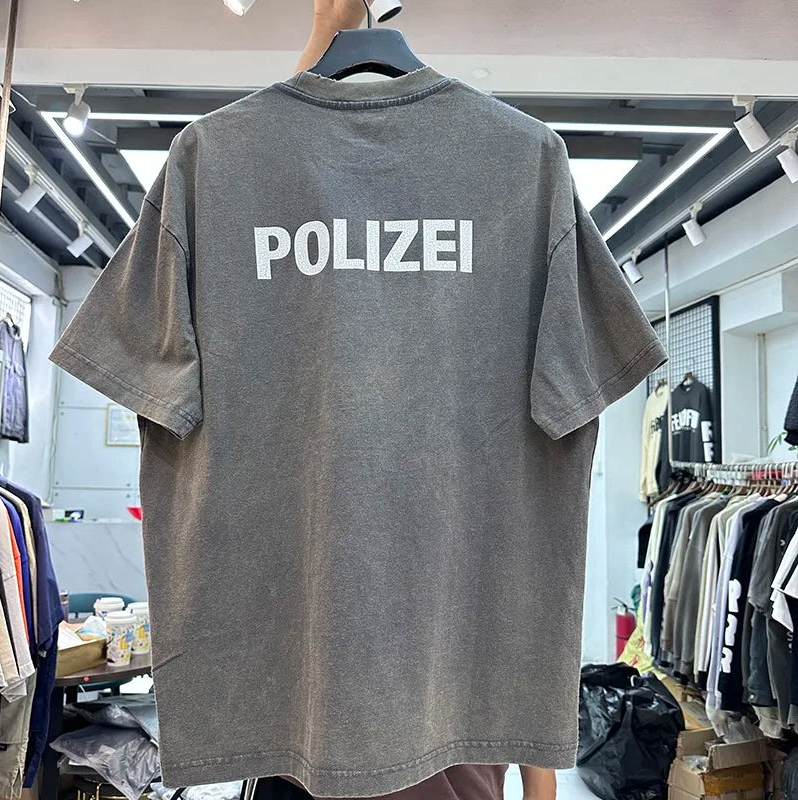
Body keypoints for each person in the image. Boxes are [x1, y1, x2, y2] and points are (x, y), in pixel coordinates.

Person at [255, 4, 559, 799]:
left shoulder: (525, 171)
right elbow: (271, 180)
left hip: (435, 743)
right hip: (312, 740)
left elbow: (544, 518)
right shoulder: (226, 170)